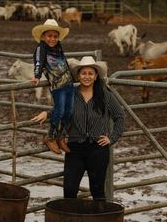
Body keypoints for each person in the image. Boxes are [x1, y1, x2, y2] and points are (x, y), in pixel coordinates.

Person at [31, 56, 125, 200]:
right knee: (69, 190)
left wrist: (112, 138)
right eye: (83, 73)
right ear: (78, 75)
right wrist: (46, 113)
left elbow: (119, 116)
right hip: (75, 147)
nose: (86, 76)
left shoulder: (105, 95)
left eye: (90, 73)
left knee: (98, 191)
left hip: (98, 148)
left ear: (95, 76)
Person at [31, 19, 74, 154]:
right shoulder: (41, 48)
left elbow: (64, 61)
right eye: (49, 36)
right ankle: (50, 136)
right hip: (57, 84)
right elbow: (38, 62)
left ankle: (61, 136)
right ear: (43, 36)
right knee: (60, 110)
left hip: (68, 82)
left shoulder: (58, 47)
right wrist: (37, 75)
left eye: (55, 36)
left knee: (70, 111)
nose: (53, 39)